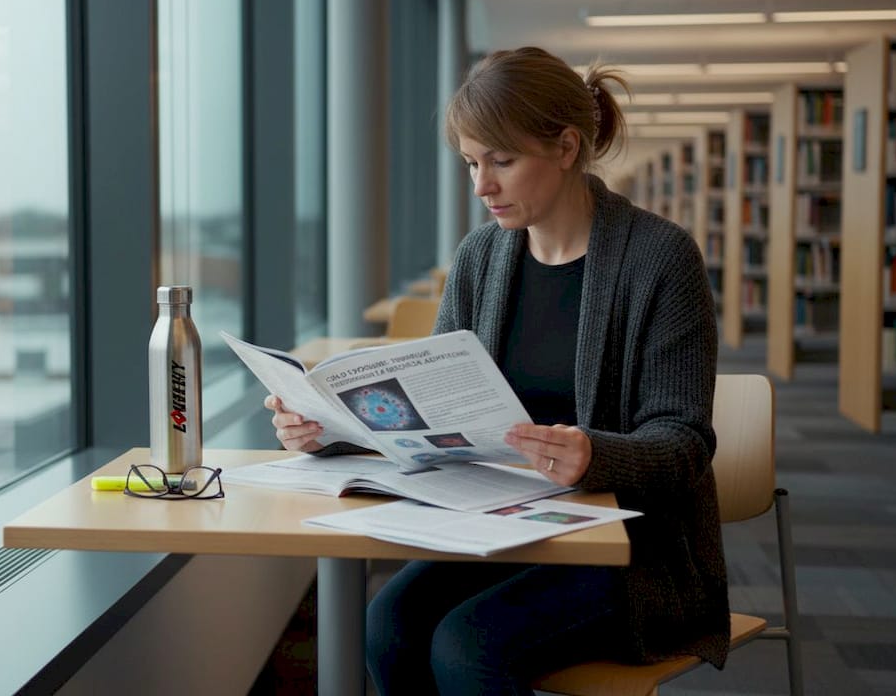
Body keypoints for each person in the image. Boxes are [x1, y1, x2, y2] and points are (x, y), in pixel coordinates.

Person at [264, 46, 728, 694]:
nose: (482, 185)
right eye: (471, 163)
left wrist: (594, 455)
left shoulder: (660, 259)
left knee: (464, 649)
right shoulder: (482, 256)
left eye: (501, 162)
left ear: (566, 148)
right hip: (503, 526)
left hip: (632, 552)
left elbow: (684, 444)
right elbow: (428, 412)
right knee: (387, 627)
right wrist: (328, 430)